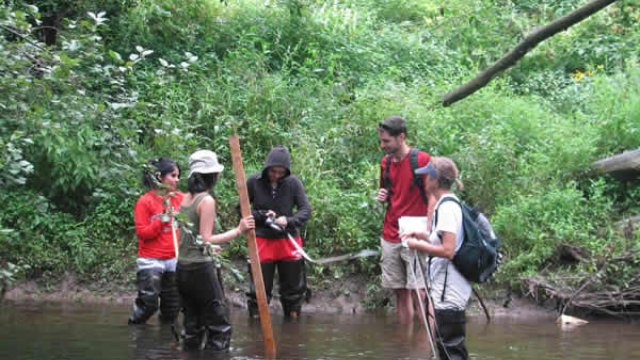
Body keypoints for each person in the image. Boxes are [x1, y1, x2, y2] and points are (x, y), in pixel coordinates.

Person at [176, 149, 255, 351]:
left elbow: (189, 236)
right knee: (219, 325)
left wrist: (211, 248)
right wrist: (239, 230)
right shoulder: (206, 201)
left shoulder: (185, 199)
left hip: (183, 268)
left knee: (193, 325)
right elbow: (206, 239)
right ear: (212, 176)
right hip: (200, 269)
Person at [401, 157, 471, 360]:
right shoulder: (448, 203)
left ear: (435, 180)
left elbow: (448, 250)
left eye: (427, 175)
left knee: (450, 346)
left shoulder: (447, 207)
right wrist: (420, 235)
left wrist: (417, 245)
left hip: (450, 288)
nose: (424, 180)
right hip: (448, 286)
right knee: (447, 344)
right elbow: (441, 237)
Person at [376, 115, 433, 325]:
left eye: (387, 141)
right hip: (391, 233)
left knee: (420, 292)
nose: (383, 145)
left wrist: (427, 229)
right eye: (381, 141)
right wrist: (382, 196)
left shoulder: (422, 161)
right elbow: (387, 191)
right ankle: (405, 347)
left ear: (401, 137)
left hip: (416, 233)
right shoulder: (386, 163)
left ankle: (427, 346)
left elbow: (434, 197)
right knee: (400, 292)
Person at [246, 145, 312, 319]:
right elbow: (243, 211)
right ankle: (256, 326)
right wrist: (262, 215)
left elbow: (305, 210)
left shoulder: (293, 183)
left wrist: (288, 220)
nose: (276, 175)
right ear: (267, 168)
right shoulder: (254, 182)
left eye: (281, 172)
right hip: (261, 239)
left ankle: (292, 323)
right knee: (258, 293)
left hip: (288, 240)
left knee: (293, 293)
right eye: (273, 171)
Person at [129, 157, 184, 325]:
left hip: (174, 259)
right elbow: (143, 233)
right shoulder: (145, 201)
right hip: (151, 259)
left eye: (178, 176)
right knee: (149, 304)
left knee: (172, 308)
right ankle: (135, 332)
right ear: (160, 177)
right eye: (173, 176)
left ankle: (166, 344)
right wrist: (163, 219)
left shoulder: (181, 199)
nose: (177, 180)